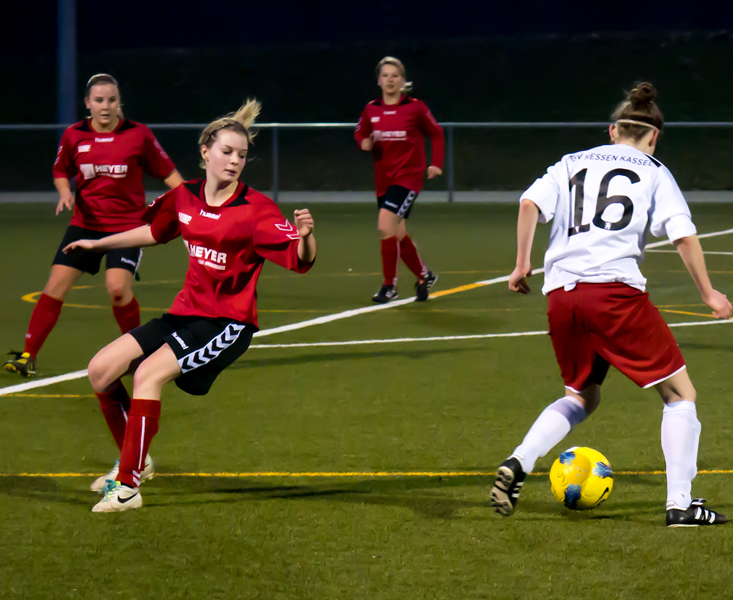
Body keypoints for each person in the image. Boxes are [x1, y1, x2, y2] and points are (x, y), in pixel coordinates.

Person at [489, 83, 733, 527]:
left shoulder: (570, 163)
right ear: (653, 137)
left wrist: (522, 264)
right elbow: (682, 234)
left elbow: (528, 203)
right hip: (613, 294)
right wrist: (708, 294)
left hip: (562, 296)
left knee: (581, 395)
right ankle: (680, 505)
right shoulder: (655, 170)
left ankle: (520, 461)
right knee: (681, 395)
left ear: (612, 130)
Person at [62, 100, 317, 512]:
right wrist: (97, 243)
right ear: (205, 152)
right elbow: (151, 231)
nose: (235, 161)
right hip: (185, 313)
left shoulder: (256, 210)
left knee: (147, 374)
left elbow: (300, 260)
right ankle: (136, 460)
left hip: (226, 324)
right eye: (227, 152)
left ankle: (127, 487)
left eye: (241, 155)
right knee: (101, 370)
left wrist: (305, 235)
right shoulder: (184, 197)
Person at [4, 74, 183, 378]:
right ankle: (27, 355)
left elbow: (169, 173)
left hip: (127, 227)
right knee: (55, 285)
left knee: (117, 288)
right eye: (98, 100)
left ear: (119, 102)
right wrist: (65, 193)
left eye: (111, 100)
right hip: (85, 225)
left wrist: (193, 202)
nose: (105, 106)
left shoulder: (138, 135)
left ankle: (138, 354)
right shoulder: (74, 135)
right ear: (87, 103)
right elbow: (61, 170)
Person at [355, 56, 444, 303]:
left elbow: (436, 133)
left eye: (395, 75)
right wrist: (364, 142)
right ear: (379, 81)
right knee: (397, 230)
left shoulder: (415, 107)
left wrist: (436, 163)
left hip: (408, 178)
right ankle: (424, 275)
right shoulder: (371, 109)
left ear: (403, 80)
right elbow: (361, 132)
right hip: (383, 179)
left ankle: (389, 286)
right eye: (385, 75)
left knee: (385, 224)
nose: (390, 80)